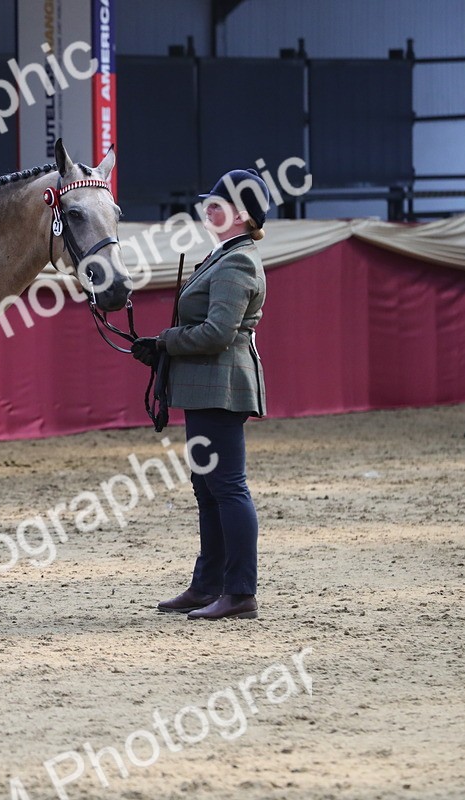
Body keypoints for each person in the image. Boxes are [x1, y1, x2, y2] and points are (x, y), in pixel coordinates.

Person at [131, 169, 269, 620]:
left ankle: (240, 591)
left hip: (221, 385)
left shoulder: (239, 262)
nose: (208, 208)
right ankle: (209, 584)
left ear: (243, 215)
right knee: (208, 489)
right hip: (205, 385)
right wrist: (162, 348)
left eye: (218, 203)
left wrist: (166, 341)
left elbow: (216, 333)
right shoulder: (222, 256)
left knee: (226, 487)